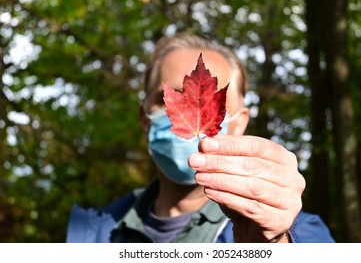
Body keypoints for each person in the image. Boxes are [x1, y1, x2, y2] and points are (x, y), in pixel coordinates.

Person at [66, 32, 334, 243]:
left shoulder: (297, 231)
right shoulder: (90, 234)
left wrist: (273, 247)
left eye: (213, 102)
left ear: (238, 123)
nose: (189, 107)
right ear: (144, 119)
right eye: (167, 98)